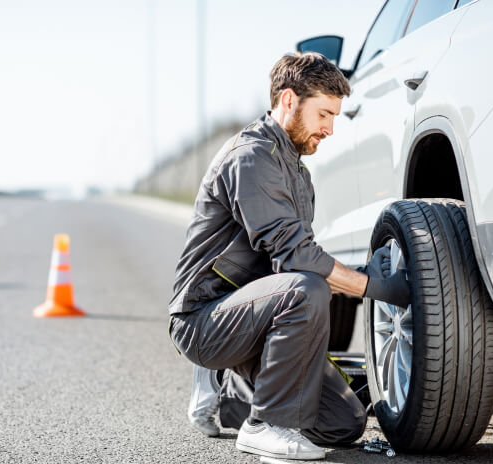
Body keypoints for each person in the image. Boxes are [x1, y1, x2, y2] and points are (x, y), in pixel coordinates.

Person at [169, 52, 410, 461]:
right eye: (324, 114)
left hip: (252, 315)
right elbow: (297, 261)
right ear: (287, 101)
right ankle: (265, 425)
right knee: (305, 289)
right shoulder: (252, 157)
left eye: (334, 117)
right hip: (203, 318)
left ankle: (232, 393)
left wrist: (355, 275)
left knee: (343, 423)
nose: (330, 128)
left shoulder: (298, 173)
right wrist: (372, 286)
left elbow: (292, 260)